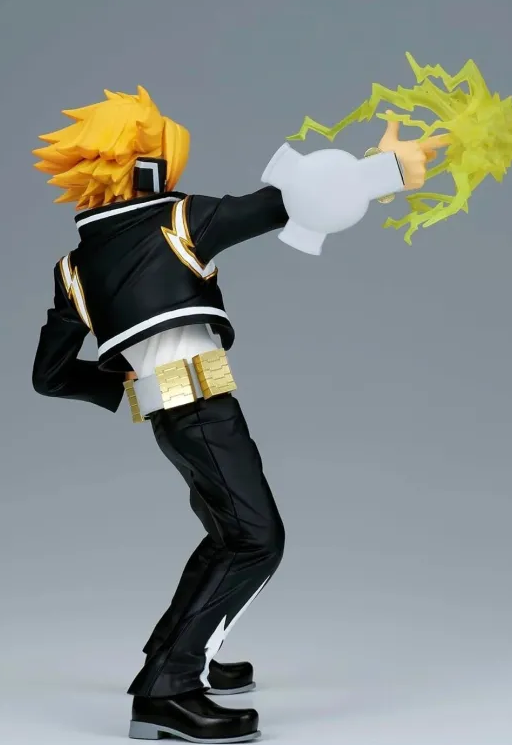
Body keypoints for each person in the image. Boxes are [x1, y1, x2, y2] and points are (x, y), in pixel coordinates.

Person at [31, 86, 445, 743]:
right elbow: (289, 201)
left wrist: (127, 383)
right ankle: (168, 689)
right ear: (146, 162)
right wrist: (388, 170)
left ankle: (184, 650)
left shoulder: (74, 268)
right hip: (204, 411)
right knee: (256, 540)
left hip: (171, 419)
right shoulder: (178, 222)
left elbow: (49, 377)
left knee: (228, 535)